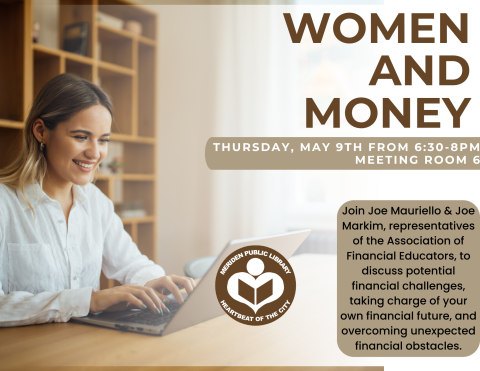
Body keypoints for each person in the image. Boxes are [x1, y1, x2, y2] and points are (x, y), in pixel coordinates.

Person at [0, 73, 195, 327]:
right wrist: (88, 301)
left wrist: (153, 282)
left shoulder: (95, 202)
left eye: (103, 140)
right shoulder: (6, 203)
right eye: (81, 137)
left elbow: (131, 263)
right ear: (41, 131)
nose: (95, 153)